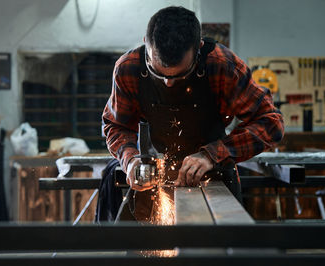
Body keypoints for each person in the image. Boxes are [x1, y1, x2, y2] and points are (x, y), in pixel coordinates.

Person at [102, 6, 284, 221]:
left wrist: (212, 155)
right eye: (158, 72)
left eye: (180, 75)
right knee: (143, 249)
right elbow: (116, 126)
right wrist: (131, 160)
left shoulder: (222, 66)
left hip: (213, 180)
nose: (168, 83)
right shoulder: (128, 68)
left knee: (215, 251)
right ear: (146, 43)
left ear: (198, 48)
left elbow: (271, 123)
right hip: (152, 181)